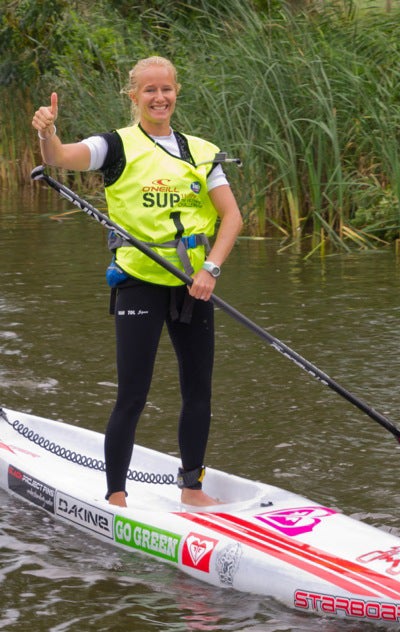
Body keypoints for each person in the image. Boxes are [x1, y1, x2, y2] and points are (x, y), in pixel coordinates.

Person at [32, 56, 243, 507]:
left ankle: (191, 489)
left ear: (176, 91)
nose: (159, 97)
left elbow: (232, 216)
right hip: (138, 283)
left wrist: (212, 269)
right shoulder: (117, 145)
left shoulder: (202, 152)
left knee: (198, 389)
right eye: (149, 90)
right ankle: (116, 495)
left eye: (166, 89)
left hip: (192, 285)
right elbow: (62, 158)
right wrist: (48, 133)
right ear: (134, 96)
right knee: (132, 393)